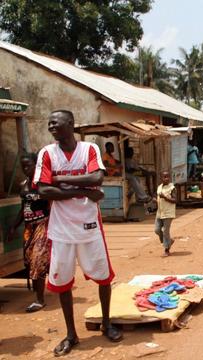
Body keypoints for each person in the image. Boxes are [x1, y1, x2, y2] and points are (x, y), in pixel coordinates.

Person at [34, 110, 122, 356]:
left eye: (55, 122)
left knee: (103, 277)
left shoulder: (89, 149)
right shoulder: (47, 153)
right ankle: (71, 333)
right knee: (62, 283)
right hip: (61, 229)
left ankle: (106, 322)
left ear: (70, 124)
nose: (51, 125)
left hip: (89, 225)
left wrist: (60, 180)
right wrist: (82, 191)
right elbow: (43, 190)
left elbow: (97, 177)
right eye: (49, 122)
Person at [8, 153, 51, 313]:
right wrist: (14, 226)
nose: (26, 168)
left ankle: (40, 300)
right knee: (29, 261)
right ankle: (39, 293)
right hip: (28, 228)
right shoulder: (24, 184)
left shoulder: (43, 183)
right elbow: (23, 208)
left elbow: (52, 204)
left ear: (36, 165)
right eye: (23, 166)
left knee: (37, 260)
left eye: (29, 165)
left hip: (42, 224)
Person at [155, 171, 176, 257]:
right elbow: (159, 199)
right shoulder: (159, 187)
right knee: (157, 230)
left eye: (167, 177)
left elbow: (175, 200)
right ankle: (168, 241)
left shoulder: (172, 188)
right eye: (164, 177)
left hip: (168, 213)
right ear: (161, 178)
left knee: (165, 232)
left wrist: (165, 197)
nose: (166, 178)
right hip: (160, 213)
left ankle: (166, 249)